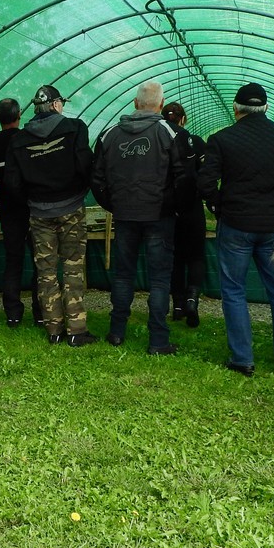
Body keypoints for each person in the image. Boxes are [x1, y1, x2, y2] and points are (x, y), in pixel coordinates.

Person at [197, 83, 274, 378]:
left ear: (235, 109)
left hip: (236, 225)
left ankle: (242, 359)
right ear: (266, 108)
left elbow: (204, 183)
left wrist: (218, 206)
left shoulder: (222, 139)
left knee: (233, 291)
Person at [91, 81, 187, 354]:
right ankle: (158, 340)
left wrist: (114, 205)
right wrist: (171, 206)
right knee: (159, 278)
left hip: (125, 215)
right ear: (160, 103)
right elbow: (184, 177)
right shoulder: (168, 133)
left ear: (135, 103)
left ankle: (116, 332)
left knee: (123, 275)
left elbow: (96, 179)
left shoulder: (110, 135)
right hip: (159, 215)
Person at [4, 84, 97, 347]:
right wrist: (77, 191)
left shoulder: (18, 140)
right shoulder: (75, 128)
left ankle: (54, 329)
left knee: (46, 272)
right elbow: (85, 164)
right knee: (73, 268)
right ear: (56, 105)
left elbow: (12, 182)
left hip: (39, 212)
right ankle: (77, 330)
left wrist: (33, 199)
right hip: (71, 209)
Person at [0, 98, 39, 328]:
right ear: (19, 115)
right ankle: (41, 311)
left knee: (13, 260)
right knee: (41, 260)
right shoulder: (27, 139)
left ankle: (13, 313)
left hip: (7, 208)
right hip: (33, 206)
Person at [162, 101, 207, 327]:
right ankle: (192, 299)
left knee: (175, 258)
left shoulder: (160, 141)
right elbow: (207, 174)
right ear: (183, 119)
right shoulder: (196, 142)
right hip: (193, 207)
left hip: (168, 208)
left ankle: (177, 306)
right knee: (196, 256)